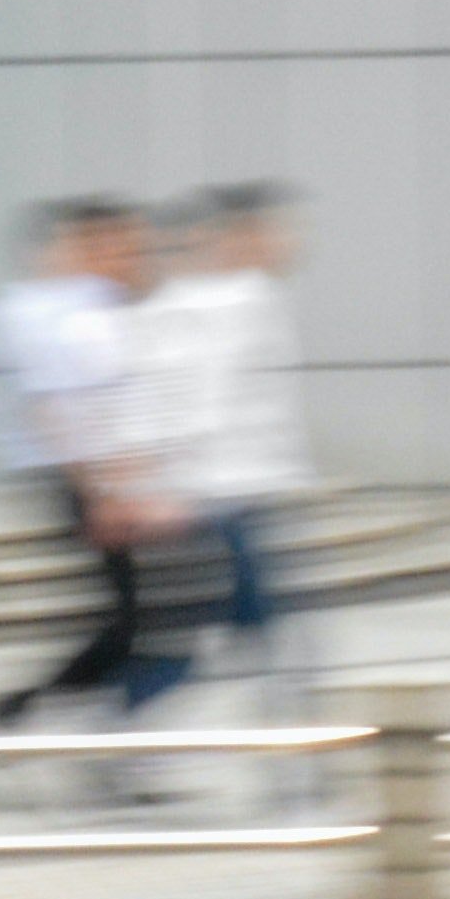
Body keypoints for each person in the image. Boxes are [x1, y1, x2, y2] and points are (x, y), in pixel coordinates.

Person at [0, 197, 190, 761]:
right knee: (130, 621)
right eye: (123, 246)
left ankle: (51, 719)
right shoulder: (50, 313)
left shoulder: (85, 307)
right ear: (77, 248)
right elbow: (57, 413)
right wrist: (104, 495)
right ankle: (19, 713)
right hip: (78, 479)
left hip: (98, 479)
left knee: (134, 619)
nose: (137, 258)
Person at [131, 182, 311, 704]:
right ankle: (125, 729)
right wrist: (168, 487)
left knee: (247, 627)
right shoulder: (210, 305)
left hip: (234, 491)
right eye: (270, 232)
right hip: (212, 496)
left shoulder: (244, 297)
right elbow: (197, 405)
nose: (285, 243)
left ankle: (286, 731)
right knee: (239, 627)